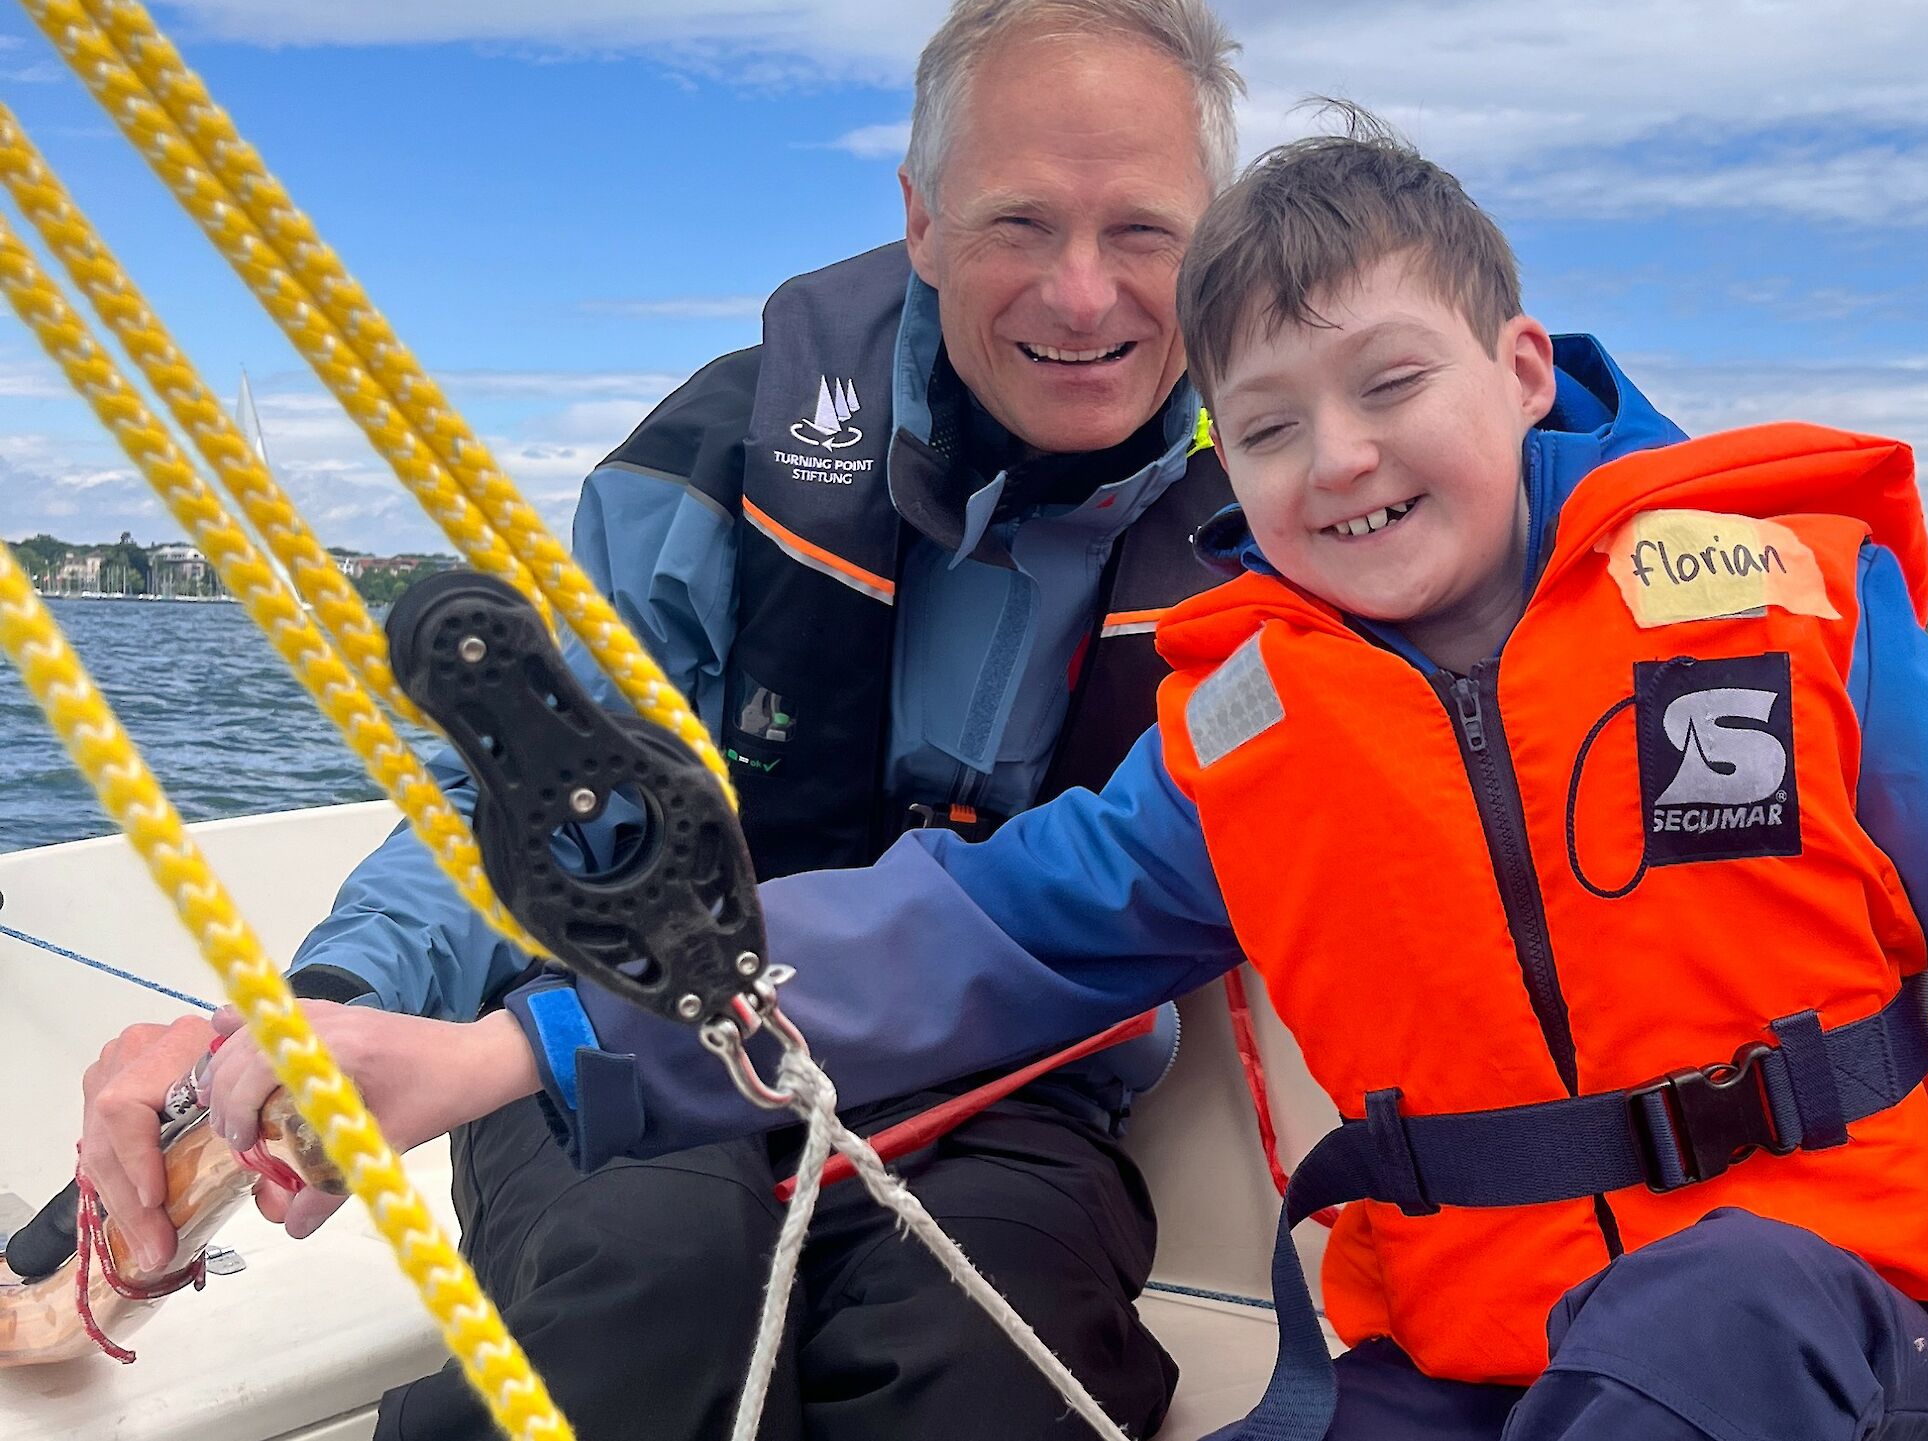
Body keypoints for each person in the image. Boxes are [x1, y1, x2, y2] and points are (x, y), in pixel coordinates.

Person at [209, 120, 1928, 1441]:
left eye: (1390, 385)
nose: (1337, 460)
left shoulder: (1790, 613)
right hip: (1454, 1358)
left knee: (1685, 1335)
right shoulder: (1244, 734)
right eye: (1267, 428)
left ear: (1520, 367)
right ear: (1222, 472)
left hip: (1830, 1327)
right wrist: (506, 1049)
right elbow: (957, 942)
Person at [74, 2, 1247, 1437]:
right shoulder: (723, 460)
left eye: (1142, 232)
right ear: (924, 222)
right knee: (642, 1305)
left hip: (1004, 1092)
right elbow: (511, 793)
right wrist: (345, 1003)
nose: (1082, 295)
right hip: (608, 1034)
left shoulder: (1291, 508)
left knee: (984, 1369)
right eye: (1020, 224)